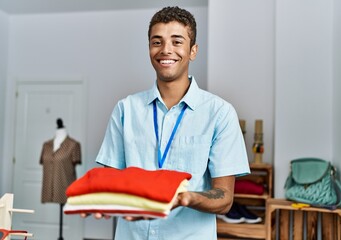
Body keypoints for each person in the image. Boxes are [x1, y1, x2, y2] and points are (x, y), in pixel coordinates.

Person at [92, 6, 250, 240]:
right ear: (149, 49)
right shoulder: (126, 109)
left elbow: (224, 198)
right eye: (157, 42)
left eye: (177, 42)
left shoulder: (220, 113)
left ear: (193, 50)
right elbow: (112, 182)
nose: (166, 50)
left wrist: (187, 198)